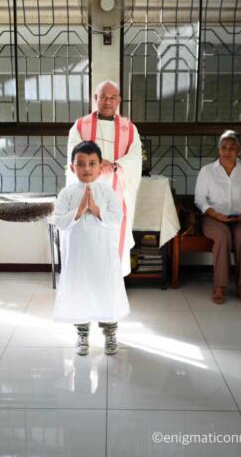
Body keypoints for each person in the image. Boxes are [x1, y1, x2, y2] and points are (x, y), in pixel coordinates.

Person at [53, 141, 130, 355]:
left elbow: (116, 219)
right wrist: (78, 211)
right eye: (81, 164)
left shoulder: (108, 192)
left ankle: (110, 334)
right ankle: (82, 335)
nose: (86, 168)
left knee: (106, 292)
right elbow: (58, 221)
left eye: (92, 163)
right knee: (80, 292)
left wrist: (95, 210)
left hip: (103, 255)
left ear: (100, 166)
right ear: (72, 167)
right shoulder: (66, 193)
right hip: (77, 256)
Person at [66, 80, 142, 277]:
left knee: (113, 238)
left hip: (117, 194)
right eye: (103, 97)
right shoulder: (81, 126)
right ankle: (87, 288)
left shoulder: (129, 128)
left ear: (119, 100)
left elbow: (135, 158)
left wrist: (115, 166)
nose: (108, 102)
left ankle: (112, 286)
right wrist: (97, 164)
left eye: (112, 97)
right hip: (87, 193)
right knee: (88, 241)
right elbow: (73, 157)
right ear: (95, 99)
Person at [195, 130, 241, 305]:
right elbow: (199, 199)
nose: (227, 151)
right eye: (223, 147)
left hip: (240, 219)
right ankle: (220, 287)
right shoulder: (207, 171)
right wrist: (215, 214)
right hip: (213, 219)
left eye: (232, 148)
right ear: (219, 149)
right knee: (223, 236)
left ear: (239, 151)